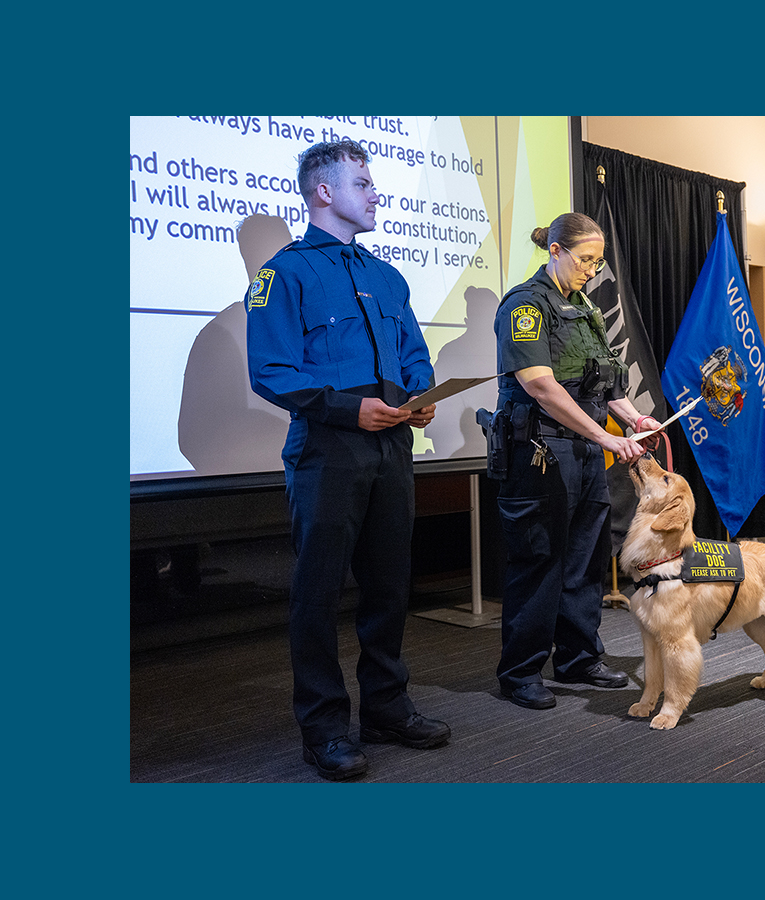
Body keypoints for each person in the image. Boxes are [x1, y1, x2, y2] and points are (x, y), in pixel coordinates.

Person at [246, 139, 449, 780]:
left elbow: (413, 353)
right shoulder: (282, 274)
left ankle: (386, 708)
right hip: (328, 446)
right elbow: (271, 371)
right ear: (324, 192)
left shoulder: (387, 276)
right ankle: (325, 727)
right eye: (363, 183)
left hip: (392, 443)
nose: (375, 193)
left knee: (388, 584)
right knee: (319, 592)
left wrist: (420, 396)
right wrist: (347, 409)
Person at [486, 212, 662, 710]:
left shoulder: (584, 307)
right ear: (556, 251)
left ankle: (578, 657)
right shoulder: (525, 305)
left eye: (597, 262)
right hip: (540, 451)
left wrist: (634, 419)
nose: (592, 270)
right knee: (539, 560)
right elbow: (541, 386)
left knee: (586, 559)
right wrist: (606, 438)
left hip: (583, 451)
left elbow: (602, 386)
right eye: (585, 259)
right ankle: (521, 672)